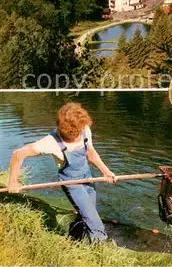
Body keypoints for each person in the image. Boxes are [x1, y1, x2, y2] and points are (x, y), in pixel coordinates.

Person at [7, 102, 116, 243]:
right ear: (62, 130)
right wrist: (13, 181)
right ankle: (101, 253)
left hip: (87, 176)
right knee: (95, 224)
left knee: (88, 213)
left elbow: (90, 152)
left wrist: (105, 171)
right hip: (71, 182)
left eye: (79, 133)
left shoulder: (84, 129)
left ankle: (74, 239)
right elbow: (18, 154)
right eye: (74, 135)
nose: (78, 137)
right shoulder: (50, 142)